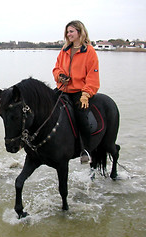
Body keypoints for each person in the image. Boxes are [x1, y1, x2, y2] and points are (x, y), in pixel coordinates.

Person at [52, 20, 100, 163]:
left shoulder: (89, 51)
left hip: (80, 91)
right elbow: (56, 68)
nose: (68, 34)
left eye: (71, 31)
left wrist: (86, 94)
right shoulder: (64, 50)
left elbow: (93, 76)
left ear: (80, 32)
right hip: (63, 89)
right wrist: (60, 76)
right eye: (67, 32)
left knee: (80, 115)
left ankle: (85, 149)